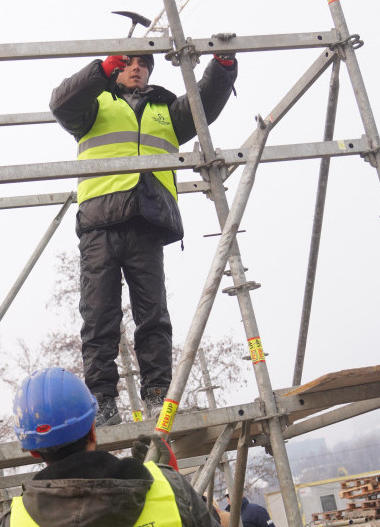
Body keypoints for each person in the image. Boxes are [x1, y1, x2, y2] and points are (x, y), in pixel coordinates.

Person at [49, 49, 238, 426]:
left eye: (144, 64)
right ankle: (102, 401)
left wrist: (223, 67)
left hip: (147, 218)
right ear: (118, 68)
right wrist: (100, 69)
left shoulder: (165, 109)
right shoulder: (93, 103)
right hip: (100, 222)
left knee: (153, 316)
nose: (137, 68)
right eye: (129, 63)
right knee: (99, 316)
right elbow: (60, 103)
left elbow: (205, 104)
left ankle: (157, 395)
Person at [0, 367, 221, 526]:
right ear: (93, 430)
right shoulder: (168, 489)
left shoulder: (15, 521)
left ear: (34, 450)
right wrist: (176, 487)